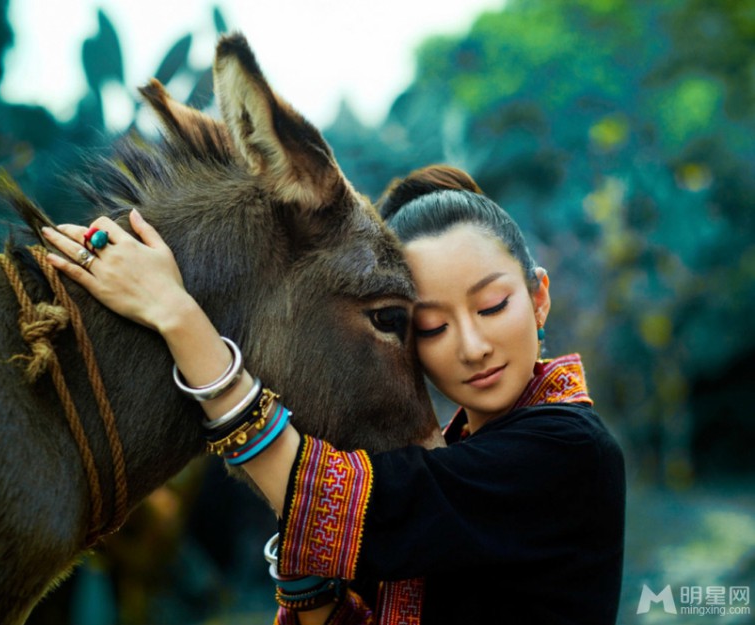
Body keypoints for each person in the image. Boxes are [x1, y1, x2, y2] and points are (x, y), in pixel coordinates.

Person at [42, 165, 625, 624]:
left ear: (540, 298)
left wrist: (178, 317)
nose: (472, 346)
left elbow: (346, 504)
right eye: (432, 327)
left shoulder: (571, 452)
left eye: (493, 306)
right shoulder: (461, 461)